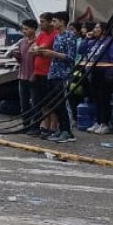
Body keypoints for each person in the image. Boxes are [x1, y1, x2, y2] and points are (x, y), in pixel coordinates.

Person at [35, 12, 78, 143]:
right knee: (56, 104)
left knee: (62, 103)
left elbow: (70, 57)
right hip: (53, 73)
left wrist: (52, 53)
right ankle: (62, 129)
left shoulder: (69, 36)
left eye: (54, 21)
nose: (52, 24)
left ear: (62, 22)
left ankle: (67, 130)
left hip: (63, 74)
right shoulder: (58, 36)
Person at [85, 22, 113, 135]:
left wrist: (110, 75)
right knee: (96, 99)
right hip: (93, 73)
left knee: (104, 99)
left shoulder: (111, 42)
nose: (94, 29)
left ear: (104, 30)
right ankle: (98, 121)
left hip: (104, 74)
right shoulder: (94, 42)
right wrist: (86, 39)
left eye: (97, 27)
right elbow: (82, 50)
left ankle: (105, 123)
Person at [31, 13, 59, 139]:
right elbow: (33, 49)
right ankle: (46, 124)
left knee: (51, 101)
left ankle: (53, 126)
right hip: (38, 72)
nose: (40, 24)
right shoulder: (41, 35)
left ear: (49, 22)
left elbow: (43, 48)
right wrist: (38, 49)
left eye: (42, 22)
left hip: (49, 72)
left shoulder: (54, 35)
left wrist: (39, 49)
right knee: (42, 101)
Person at [12, 19, 39, 133]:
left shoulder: (38, 42)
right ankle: (26, 125)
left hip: (34, 77)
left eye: (26, 29)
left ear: (33, 29)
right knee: (24, 103)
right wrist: (16, 56)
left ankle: (35, 127)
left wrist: (35, 74)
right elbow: (21, 60)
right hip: (22, 76)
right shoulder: (22, 42)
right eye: (23, 29)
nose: (24, 31)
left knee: (35, 103)